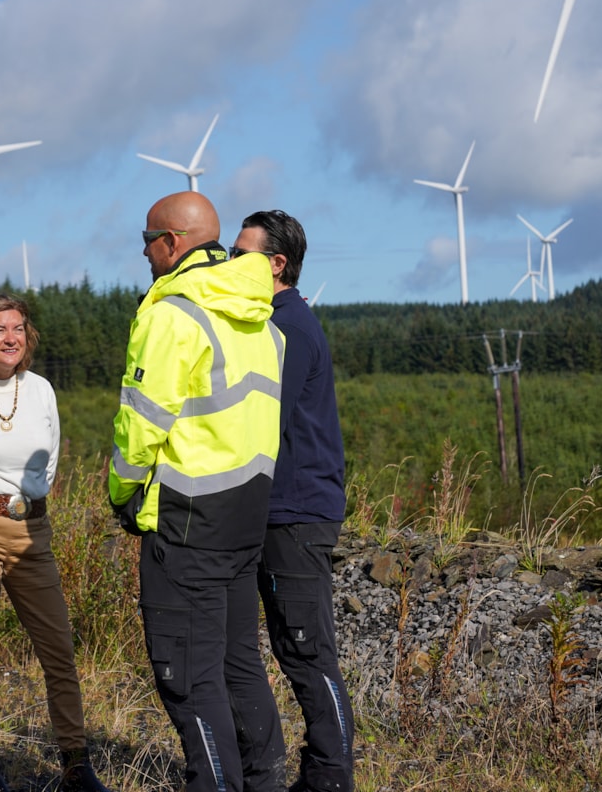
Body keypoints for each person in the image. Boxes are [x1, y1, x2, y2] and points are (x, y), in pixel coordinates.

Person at [109, 191, 287, 792]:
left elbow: (141, 420)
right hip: (246, 518)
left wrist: (124, 493)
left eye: (147, 243)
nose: (145, 255)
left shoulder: (173, 314)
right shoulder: (259, 317)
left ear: (171, 243)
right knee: (240, 665)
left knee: (189, 677)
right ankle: (264, 782)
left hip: (186, 522)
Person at [0, 293, 112, 792]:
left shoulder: (40, 389)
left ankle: (76, 766)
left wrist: (29, 506)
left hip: (33, 530)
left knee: (58, 649)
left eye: (18, 328)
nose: (11, 338)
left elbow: (51, 458)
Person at [230, 211, 354, 792]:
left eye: (240, 253)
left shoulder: (289, 329)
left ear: (275, 264)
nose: (229, 264)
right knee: (290, 647)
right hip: (282, 511)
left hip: (296, 514)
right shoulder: (276, 322)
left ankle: (330, 777)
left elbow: (265, 422)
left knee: (306, 651)